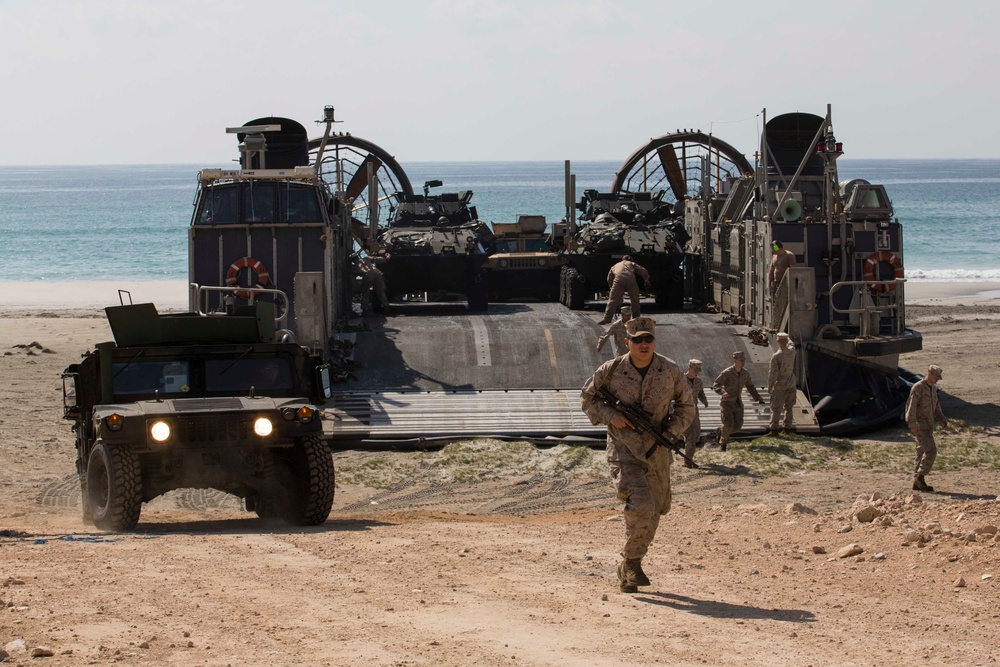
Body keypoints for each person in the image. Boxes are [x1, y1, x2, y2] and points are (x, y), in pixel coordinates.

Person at [580, 317, 695, 594]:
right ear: (626, 342)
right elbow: (588, 399)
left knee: (656, 508)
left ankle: (632, 562)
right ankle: (631, 564)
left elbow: (686, 406)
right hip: (624, 448)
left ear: (654, 341)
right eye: (638, 340)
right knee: (641, 503)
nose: (644, 345)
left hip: (658, 449)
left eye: (648, 340)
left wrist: (672, 431)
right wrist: (611, 415)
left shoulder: (668, 370)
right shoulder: (611, 369)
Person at [905, 365, 948, 492]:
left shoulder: (933, 389)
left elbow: (936, 407)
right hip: (920, 426)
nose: (937, 380)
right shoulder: (918, 387)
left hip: (929, 425)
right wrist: (912, 424)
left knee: (920, 452)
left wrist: (942, 419)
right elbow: (910, 407)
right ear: (929, 373)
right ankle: (920, 477)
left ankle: (917, 483)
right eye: (936, 377)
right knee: (931, 451)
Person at [712, 351, 764, 451]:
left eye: (744, 360)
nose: (743, 362)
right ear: (735, 360)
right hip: (726, 403)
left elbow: (750, 386)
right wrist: (723, 392)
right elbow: (716, 384)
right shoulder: (727, 372)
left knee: (738, 425)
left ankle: (721, 431)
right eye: (741, 360)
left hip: (738, 403)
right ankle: (723, 445)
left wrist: (757, 397)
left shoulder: (745, 373)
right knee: (728, 423)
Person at [598, 255, 651, 324]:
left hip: (618, 280)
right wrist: (646, 280)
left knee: (612, 300)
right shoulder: (632, 263)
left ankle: (607, 318)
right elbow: (644, 271)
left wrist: (612, 288)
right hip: (630, 280)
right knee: (635, 300)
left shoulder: (616, 265)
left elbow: (609, 278)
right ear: (631, 260)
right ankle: (636, 319)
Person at [682, 359, 710, 468]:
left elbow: (701, 393)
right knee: (691, 435)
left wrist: (704, 400)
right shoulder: (681, 380)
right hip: (683, 410)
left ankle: (681, 439)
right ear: (689, 369)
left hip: (694, 410)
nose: (696, 374)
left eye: (697, 373)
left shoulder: (698, 381)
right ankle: (688, 461)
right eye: (695, 372)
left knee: (696, 434)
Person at [767, 333, 797, 435]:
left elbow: (773, 374)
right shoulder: (792, 352)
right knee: (789, 407)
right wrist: (787, 337)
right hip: (791, 383)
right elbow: (791, 344)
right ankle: (787, 429)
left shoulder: (776, 356)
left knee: (776, 408)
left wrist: (770, 387)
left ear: (778, 342)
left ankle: (774, 430)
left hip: (780, 385)